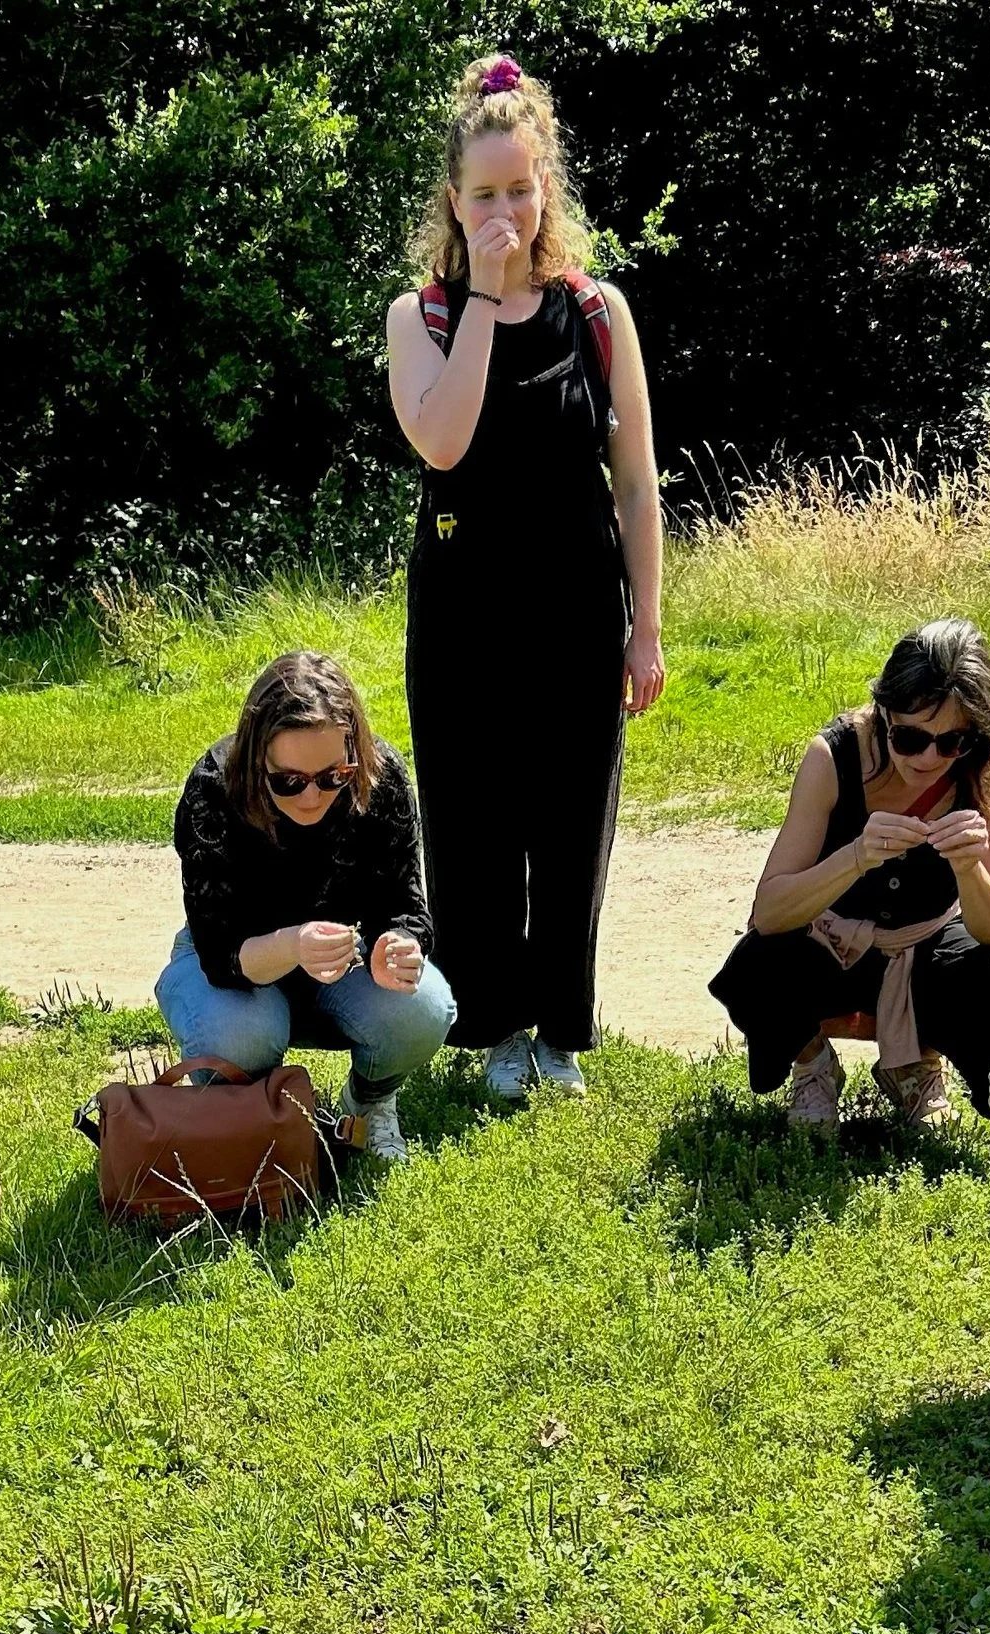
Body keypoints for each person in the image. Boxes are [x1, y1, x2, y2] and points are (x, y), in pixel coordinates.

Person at [387, 52, 665, 1104]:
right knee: (470, 818)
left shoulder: (600, 312)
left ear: (545, 188)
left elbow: (635, 485)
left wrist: (647, 629)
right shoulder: (423, 319)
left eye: (519, 187)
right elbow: (445, 444)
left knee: (570, 816)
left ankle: (560, 1033)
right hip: (463, 609)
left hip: (580, 602)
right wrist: (489, 302)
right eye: (482, 193)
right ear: (452, 204)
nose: (504, 207)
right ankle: (492, 1027)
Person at [708, 620, 990, 1127]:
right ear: (883, 714)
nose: (929, 758)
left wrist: (968, 869)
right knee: (757, 967)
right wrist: (855, 856)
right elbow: (769, 913)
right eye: (910, 738)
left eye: (951, 742)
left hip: (928, 943)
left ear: (975, 733)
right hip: (831, 944)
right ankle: (813, 1063)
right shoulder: (834, 756)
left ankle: (915, 1065)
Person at [156, 652, 457, 1163]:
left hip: (341, 955)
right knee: (240, 1033)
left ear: (354, 754)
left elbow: (404, 903)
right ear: (257, 761)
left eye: (333, 775)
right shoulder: (214, 786)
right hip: (238, 964)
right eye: (289, 781)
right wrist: (293, 945)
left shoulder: (382, 779)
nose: (313, 795)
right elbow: (218, 950)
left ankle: (370, 1102)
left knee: (424, 1005)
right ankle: (251, 1117)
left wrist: (397, 946)